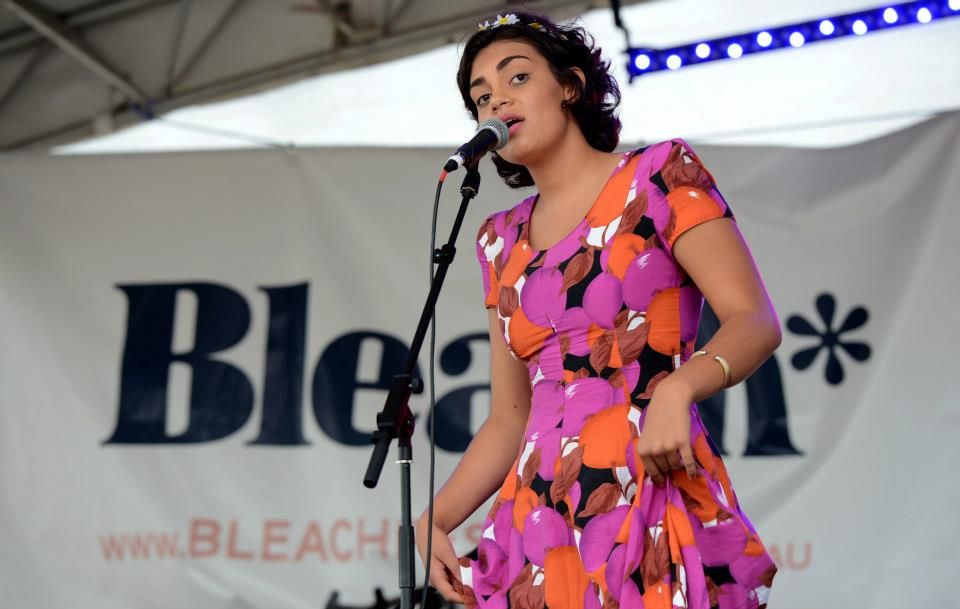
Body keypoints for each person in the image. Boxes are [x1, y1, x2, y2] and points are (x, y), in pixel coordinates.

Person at [416, 10, 781, 609]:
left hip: (647, 490)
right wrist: (434, 520)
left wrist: (678, 388)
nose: (497, 101)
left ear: (571, 85)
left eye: (517, 77)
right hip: (540, 518)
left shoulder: (659, 176)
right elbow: (510, 418)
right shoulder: (497, 241)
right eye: (481, 97)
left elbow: (755, 321)